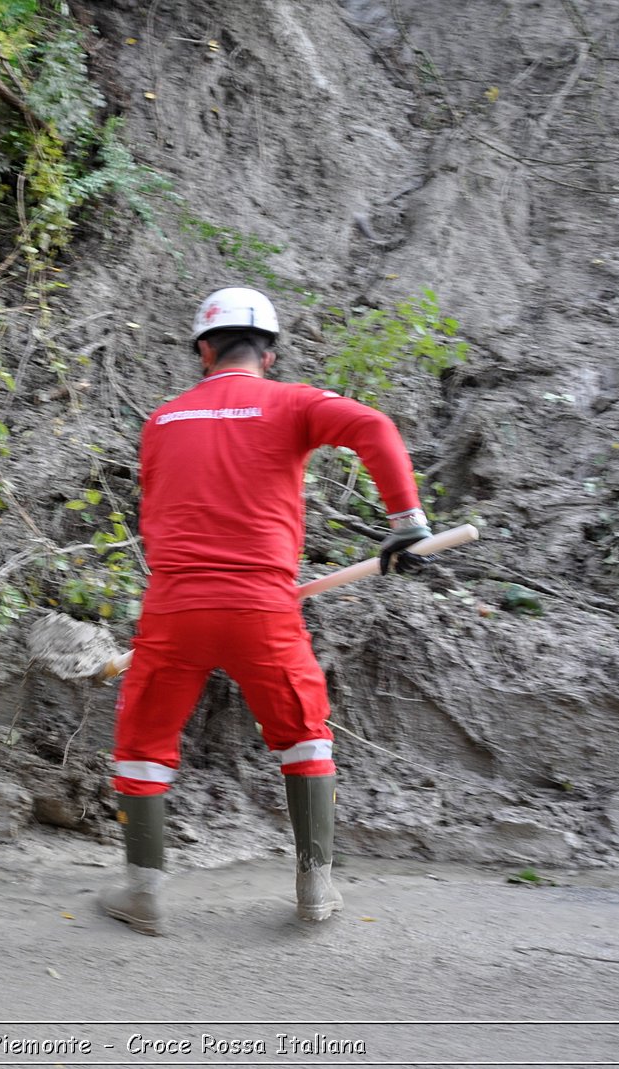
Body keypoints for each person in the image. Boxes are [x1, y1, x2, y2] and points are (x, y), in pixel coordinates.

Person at [99, 286, 431, 933]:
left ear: (203, 350)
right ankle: (315, 888)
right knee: (304, 735)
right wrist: (406, 522)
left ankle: (142, 893)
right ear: (270, 354)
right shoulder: (293, 403)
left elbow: (159, 510)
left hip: (175, 602)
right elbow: (374, 427)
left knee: (142, 740)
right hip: (262, 604)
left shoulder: (162, 419)